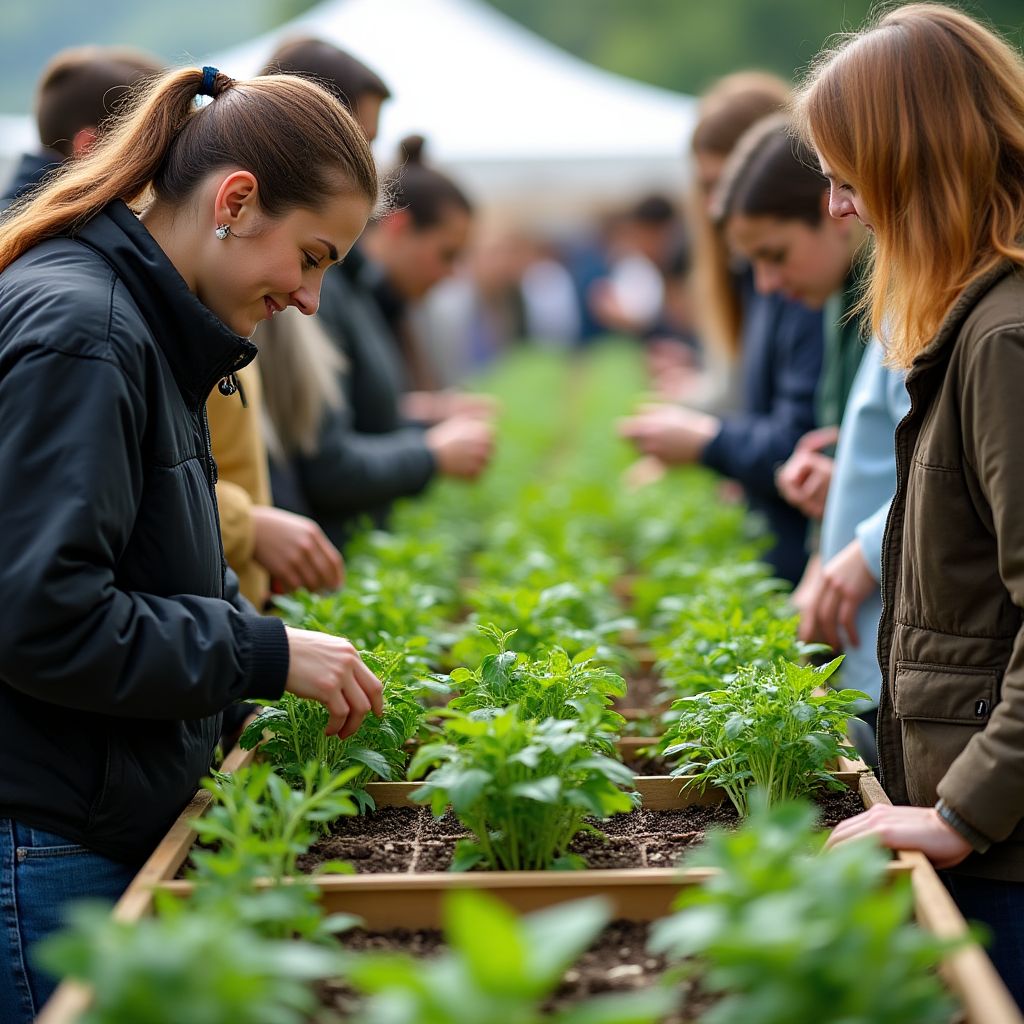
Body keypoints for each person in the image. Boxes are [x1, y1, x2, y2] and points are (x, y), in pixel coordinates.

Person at [0, 65, 386, 1021]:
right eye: (312, 257)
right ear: (235, 201)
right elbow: (43, 617)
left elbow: (151, 565)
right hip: (45, 838)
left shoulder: (139, 321)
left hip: (80, 818)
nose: (310, 298)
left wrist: (245, 694)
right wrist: (262, 653)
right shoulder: (88, 333)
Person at [799, 5, 1024, 1005]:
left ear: (914, 167)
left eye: (849, 179)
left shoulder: (1003, 337)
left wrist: (964, 810)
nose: (837, 208)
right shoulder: (979, 319)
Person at [259, 41, 493, 546]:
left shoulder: (349, 285)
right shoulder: (289, 291)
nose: (371, 166)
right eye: (359, 143)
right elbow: (323, 463)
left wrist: (419, 420)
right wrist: (430, 453)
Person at [619, 79, 824, 585]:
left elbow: (798, 437)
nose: (716, 205)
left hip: (802, 556)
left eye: (726, 180)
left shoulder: (805, 284)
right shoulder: (770, 275)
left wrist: (705, 440)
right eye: (706, 186)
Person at [1, 46, 164, 210]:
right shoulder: (68, 223)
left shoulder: (22, 214)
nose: (161, 167)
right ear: (89, 146)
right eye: (150, 146)